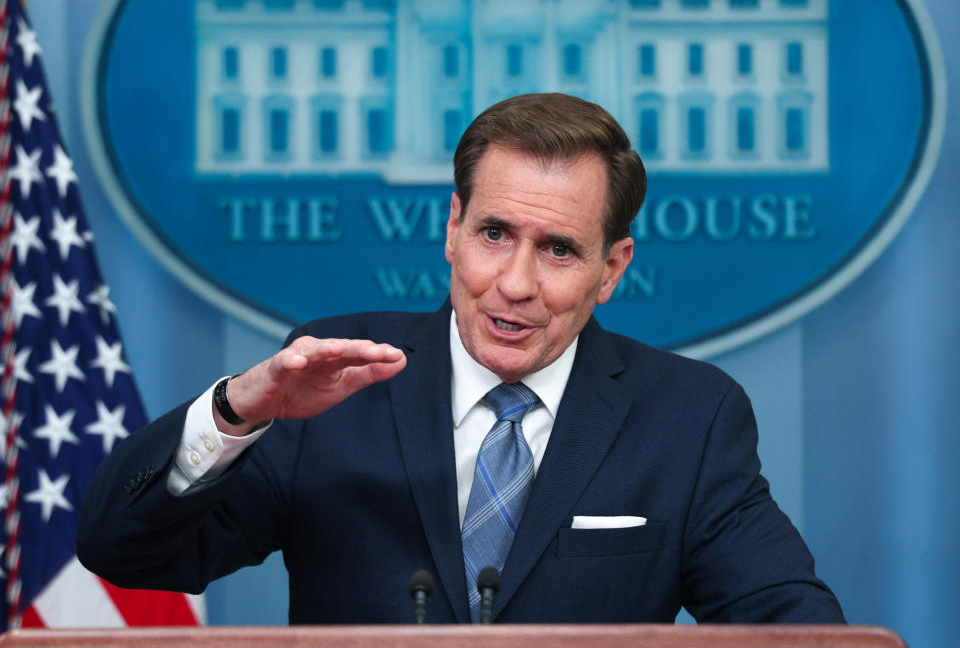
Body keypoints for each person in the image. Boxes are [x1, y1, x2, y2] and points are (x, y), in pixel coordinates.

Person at [77, 93, 844, 624]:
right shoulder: (329, 387)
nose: (515, 284)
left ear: (612, 269)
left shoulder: (688, 418)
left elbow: (791, 623)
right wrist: (237, 412)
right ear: (453, 228)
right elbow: (125, 551)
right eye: (494, 234)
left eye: (559, 250)